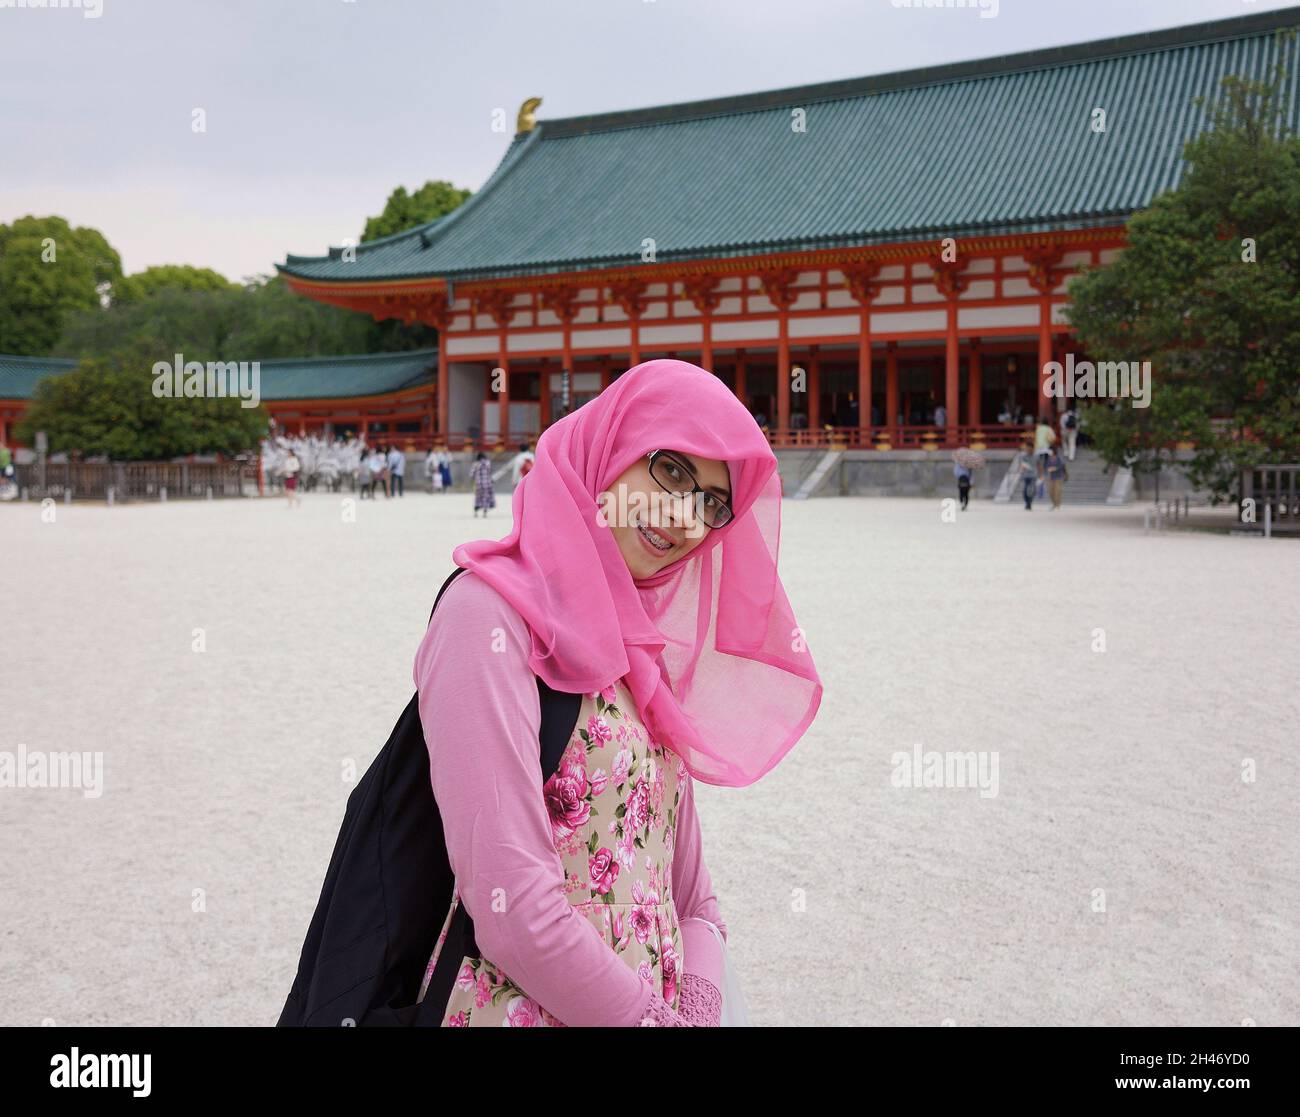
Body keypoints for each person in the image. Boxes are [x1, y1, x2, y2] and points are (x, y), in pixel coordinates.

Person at [410, 358, 822, 1027]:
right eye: (672, 469)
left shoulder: (641, 651)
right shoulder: (488, 617)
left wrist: (696, 1004)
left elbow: (692, 899)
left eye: (713, 502)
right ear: (612, 444)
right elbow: (513, 905)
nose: (686, 516)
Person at [1045, 443, 1069, 509]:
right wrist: (1049, 469)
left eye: (1050, 450)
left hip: (1059, 477)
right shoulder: (1049, 458)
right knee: (1051, 491)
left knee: (1057, 491)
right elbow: (1047, 466)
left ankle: (1057, 504)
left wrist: (1054, 468)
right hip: (1051, 477)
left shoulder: (1059, 458)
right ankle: (1054, 503)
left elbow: (1061, 466)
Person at [470, 451, 495, 516]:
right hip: (487, 483)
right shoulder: (488, 463)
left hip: (478, 484)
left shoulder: (475, 464)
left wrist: (475, 479)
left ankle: (476, 511)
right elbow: (490, 472)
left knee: (478, 497)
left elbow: (471, 474)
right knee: (485, 497)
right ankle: (485, 512)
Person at [1015, 443, 1037, 510]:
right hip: (1026, 475)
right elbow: (1021, 465)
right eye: (1027, 448)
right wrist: (1020, 471)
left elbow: (1039, 465)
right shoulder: (1024, 456)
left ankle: (1030, 503)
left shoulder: (1036, 456)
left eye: (1029, 448)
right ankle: (1027, 502)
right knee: (1025, 490)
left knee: (1032, 490)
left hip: (1033, 475)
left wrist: (1041, 475)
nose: (1028, 450)